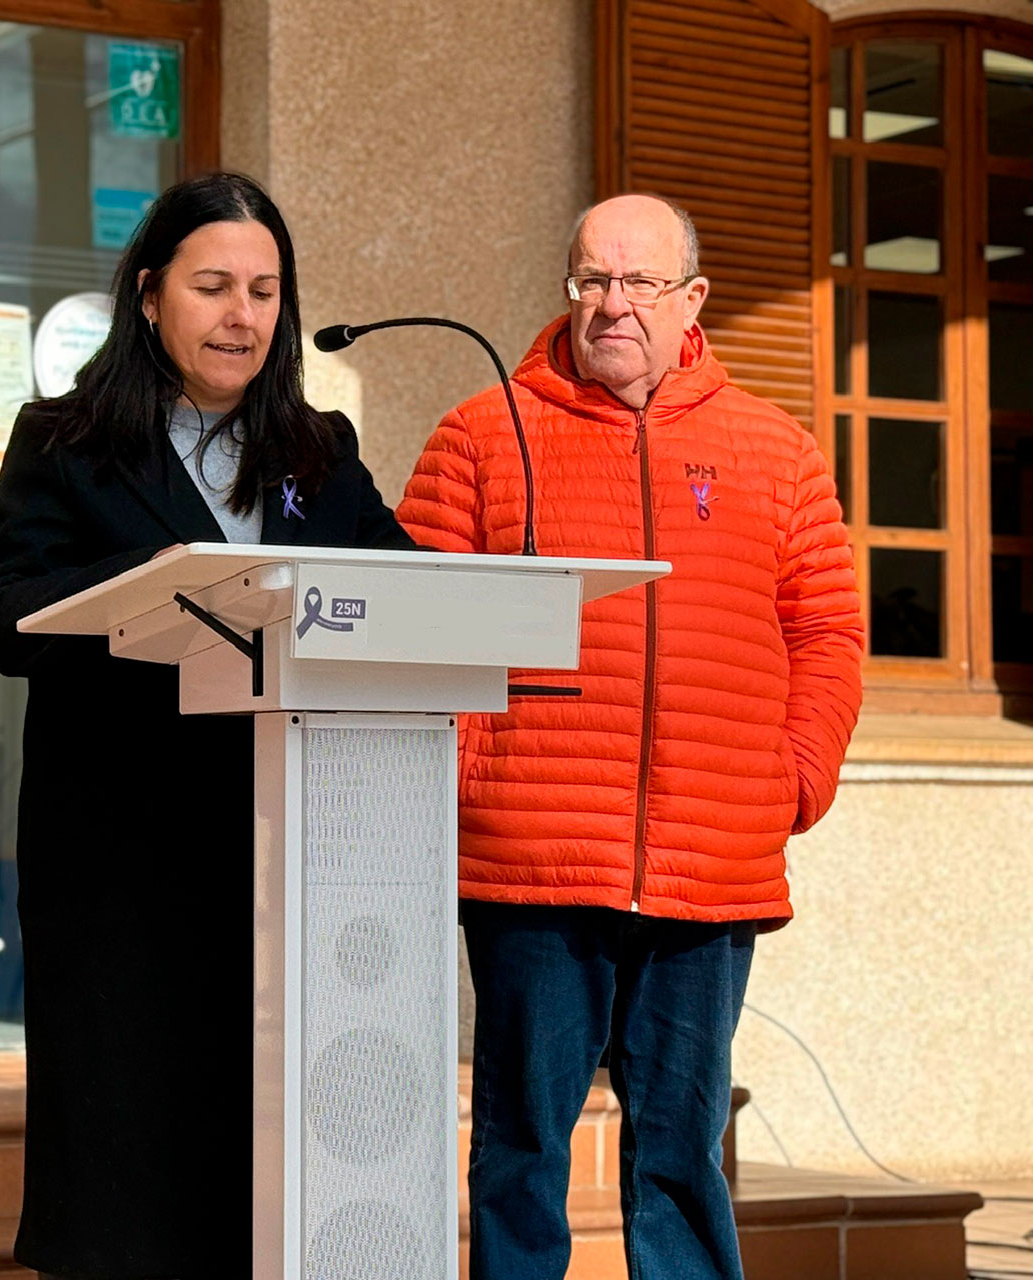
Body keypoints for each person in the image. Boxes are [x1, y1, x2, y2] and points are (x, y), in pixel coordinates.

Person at [397, 193, 864, 1280]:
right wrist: (473, 776)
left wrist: (790, 780)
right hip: (530, 860)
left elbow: (830, 630)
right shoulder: (481, 433)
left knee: (681, 1151)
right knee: (520, 1143)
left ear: (691, 298)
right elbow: (419, 627)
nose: (612, 304)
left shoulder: (775, 451)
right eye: (591, 280)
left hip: (713, 860)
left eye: (638, 282)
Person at [0, 171, 414, 1280]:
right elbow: (5, 611)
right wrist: (174, 580)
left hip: (288, 857)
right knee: (127, 1161)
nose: (243, 314)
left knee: (261, 1161)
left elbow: (401, 591)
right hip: (120, 860)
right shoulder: (64, 440)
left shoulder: (321, 450)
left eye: (265, 290)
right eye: (214, 285)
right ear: (151, 293)